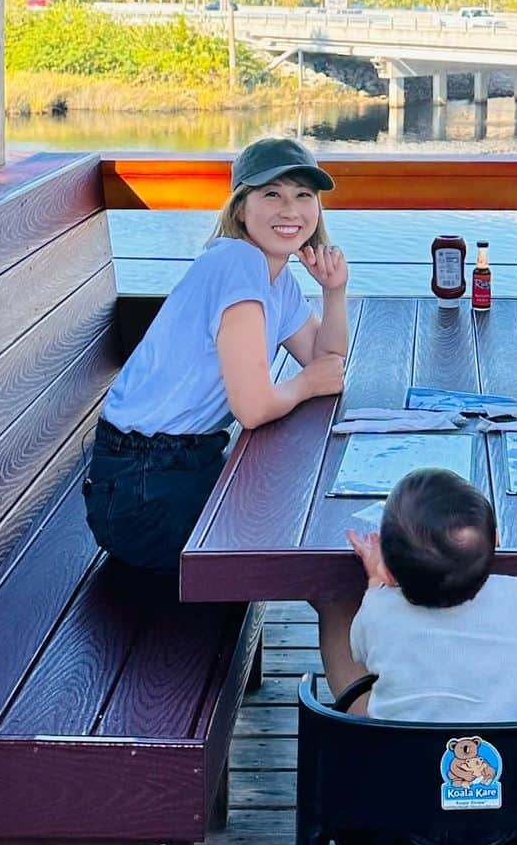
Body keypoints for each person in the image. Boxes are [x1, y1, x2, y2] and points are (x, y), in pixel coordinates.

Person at [83, 136, 361, 695]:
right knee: (336, 582)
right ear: (240, 205)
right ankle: (371, 731)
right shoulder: (238, 264)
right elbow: (257, 407)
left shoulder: (272, 274)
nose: (290, 210)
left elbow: (327, 361)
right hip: (143, 489)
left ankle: (373, 724)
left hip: (174, 470)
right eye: (272, 194)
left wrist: (335, 292)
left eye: (304, 195)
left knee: (330, 559)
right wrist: (304, 384)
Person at [346, 468, 517, 845]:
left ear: (392, 566)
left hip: (402, 813)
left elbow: (359, 653)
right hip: (502, 813)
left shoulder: (379, 608)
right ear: (494, 543)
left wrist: (375, 586)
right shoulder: (516, 595)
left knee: (375, 780)